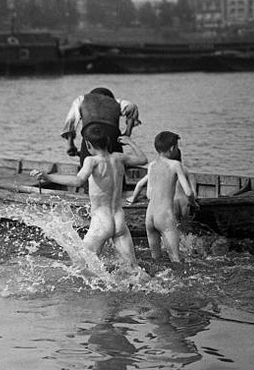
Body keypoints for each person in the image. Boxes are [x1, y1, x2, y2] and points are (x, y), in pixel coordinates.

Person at [32, 125, 148, 267]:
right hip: (119, 220)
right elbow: (143, 159)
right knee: (133, 268)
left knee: (81, 265)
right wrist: (130, 142)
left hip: (101, 222)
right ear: (107, 141)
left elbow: (78, 180)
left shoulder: (92, 161)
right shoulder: (119, 158)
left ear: (88, 144)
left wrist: (49, 177)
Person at [129, 131, 196, 263]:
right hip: (164, 216)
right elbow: (188, 192)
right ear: (172, 148)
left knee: (156, 259)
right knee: (175, 259)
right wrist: (193, 203)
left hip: (149, 216)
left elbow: (148, 193)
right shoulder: (175, 165)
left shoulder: (152, 165)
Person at [60, 87, 141, 165]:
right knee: (117, 162)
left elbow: (71, 119)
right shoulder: (116, 102)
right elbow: (132, 107)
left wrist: (70, 144)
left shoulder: (82, 99)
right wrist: (127, 133)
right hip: (112, 133)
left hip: (90, 132)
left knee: (86, 162)